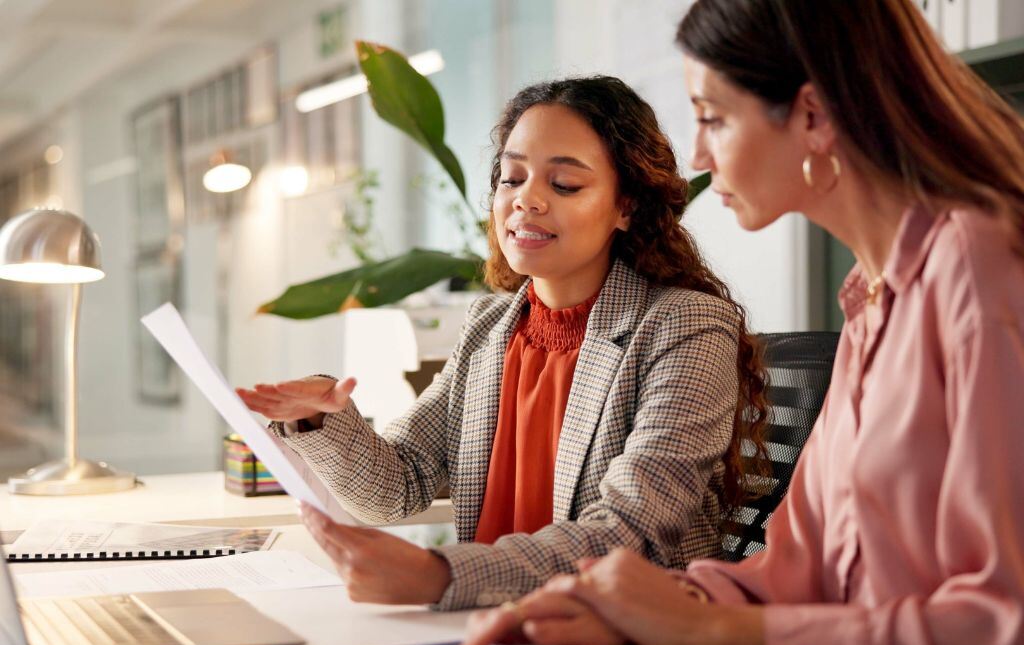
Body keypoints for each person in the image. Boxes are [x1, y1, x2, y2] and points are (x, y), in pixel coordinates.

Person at [462, 1, 1024, 645]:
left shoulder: (977, 267)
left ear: (813, 117)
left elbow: (1006, 621)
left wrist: (712, 627)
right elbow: (796, 568)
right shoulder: (872, 300)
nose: (697, 154)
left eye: (712, 117)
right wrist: (636, 610)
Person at [238, 76, 769, 611]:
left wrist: (437, 575)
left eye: (564, 185)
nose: (526, 200)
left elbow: (629, 531)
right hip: (494, 638)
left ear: (626, 206)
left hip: (620, 644)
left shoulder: (686, 325)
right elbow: (398, 486)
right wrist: (322, 416)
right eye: (512, 178)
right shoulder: (490, 326)